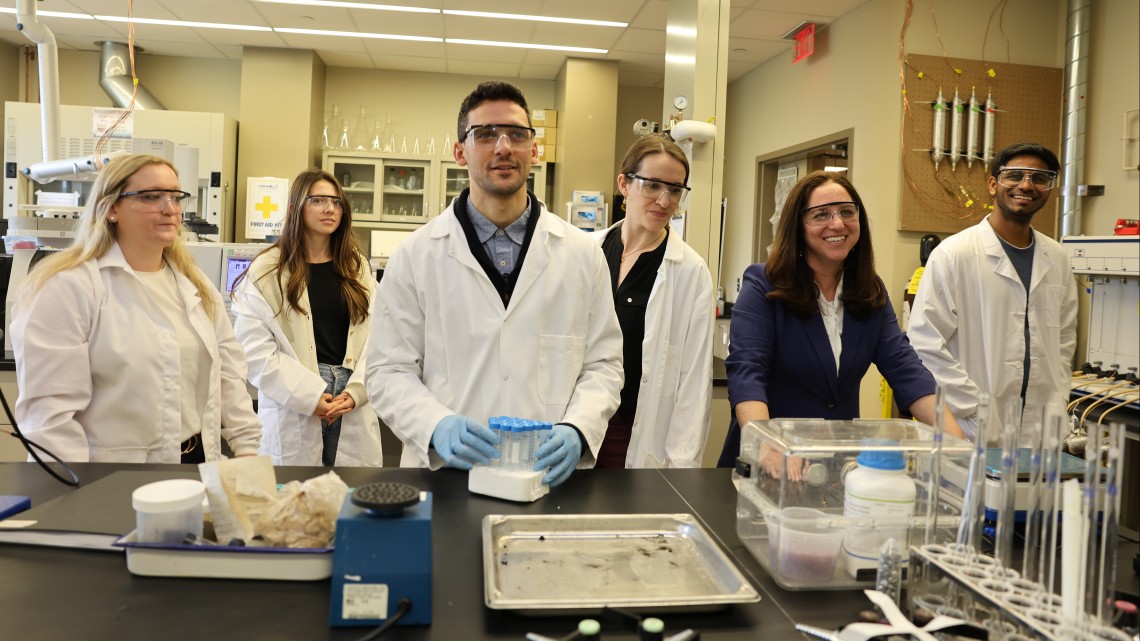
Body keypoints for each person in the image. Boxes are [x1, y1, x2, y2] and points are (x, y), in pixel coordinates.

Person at [366, 80, 623, 485]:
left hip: (547, 477)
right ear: (459, 151)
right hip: (448, 475)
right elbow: (387, 370)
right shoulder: (416, 256)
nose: (503, 147)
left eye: (517, 135)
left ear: (533, 151)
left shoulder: (581, 253)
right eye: (485, 135)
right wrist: (434, 425)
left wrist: (578, 428)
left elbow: (604, 364)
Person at [11, 154, 260, 463]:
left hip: (198, 465)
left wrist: (247, 447)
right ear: (111, 208)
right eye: (151, 197)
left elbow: (228, 374)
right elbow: (49, 419)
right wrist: (76, 493)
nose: (169, 208)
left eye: (175, 196)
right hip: (111, 478)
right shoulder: (67, 288)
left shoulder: (195, 285)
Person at [717, 170, 962, 469]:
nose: (837, 223)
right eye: (821, 215)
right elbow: (746, 371)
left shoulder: (870, 291)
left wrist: (957, 445)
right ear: (798, 227)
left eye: (847, 212)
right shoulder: (764, 285)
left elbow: (905, 368)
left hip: (834, 467)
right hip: (768, 463)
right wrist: (768, 444)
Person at [907, 142, 1077, 441]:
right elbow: (926, 344)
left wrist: (1058, 396)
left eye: (1040, 178)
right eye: (1015, 175)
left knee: (1031, 489)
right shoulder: (954, 254)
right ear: (992, 183)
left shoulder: (1058, 258)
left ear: (1049, 188)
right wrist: (974, 408)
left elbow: (1063, 340)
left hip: (1041, 427)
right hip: (970, 425)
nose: (1027, 185)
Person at [231, 168, 382, 466]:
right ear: (294, 207)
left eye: (336, 202)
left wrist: (357, 391)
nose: (330, 208)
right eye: (318, 200)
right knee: (296, 498)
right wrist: (308, 396)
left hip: (349, 399)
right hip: (297, 402)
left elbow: (380, 339)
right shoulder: (268, 270)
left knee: (349, 499)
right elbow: (254, 351)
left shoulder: (357, 268)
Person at [594, 136, 714, 468]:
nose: (664, 200)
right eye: (653, 186)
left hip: (631, 433)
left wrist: (682, 463)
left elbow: (694, 379)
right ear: (624, 184)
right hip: (574, 425)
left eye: (675, 190)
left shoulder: (690, 272)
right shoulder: (588, 252)